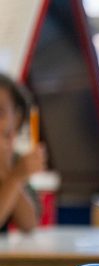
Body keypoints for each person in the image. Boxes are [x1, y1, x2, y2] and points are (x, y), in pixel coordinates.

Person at [0, 73, 45, 233]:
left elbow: (29, 224)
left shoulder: (15, 161)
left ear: (17, 119)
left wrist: (10, 172)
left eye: (0, 113)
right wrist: (14, 177)